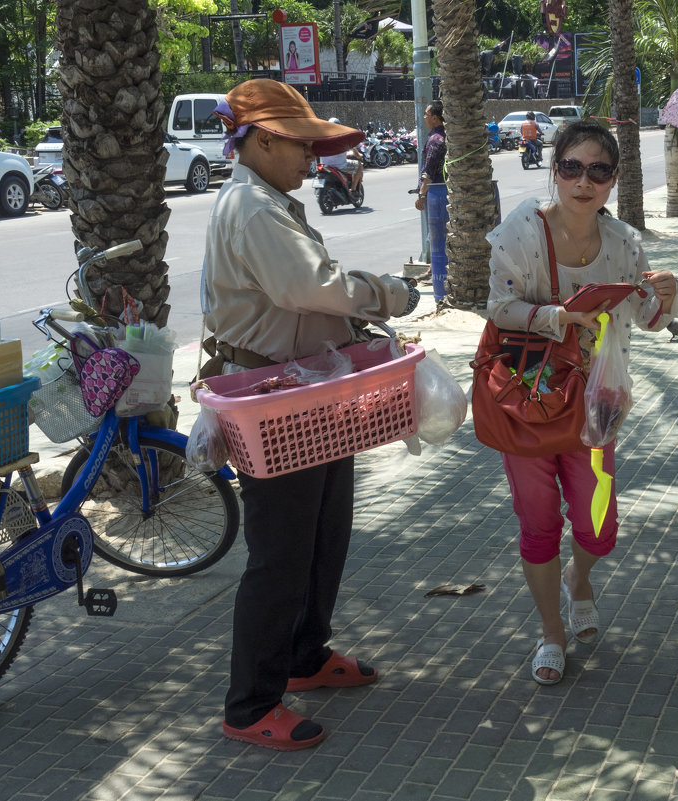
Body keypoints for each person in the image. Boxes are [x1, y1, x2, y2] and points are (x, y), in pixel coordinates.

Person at [204, 79, 421, 751]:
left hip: (304, 387)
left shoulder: (267, 199)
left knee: (325, 530)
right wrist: (385, 293)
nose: (313, 159)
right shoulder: (251, 205)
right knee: (281, 551)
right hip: (275, 397)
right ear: (263, 140)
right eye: (303, 145)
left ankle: (304, 654)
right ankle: (250, 702)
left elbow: (310, 287)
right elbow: (311, 285)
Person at [485, 120, 678, 685]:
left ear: (614, 179)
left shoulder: (623, 242)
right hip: (529, 401)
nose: (583, 182)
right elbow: (497, 310)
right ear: (555, 170)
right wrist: (556, 317)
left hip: (597, 404)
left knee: (599, 528)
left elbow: (646, 319)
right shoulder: (521, 233)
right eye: (571, 168)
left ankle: (580, 577)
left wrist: (667, 297)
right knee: (539, 525)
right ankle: (552, 632)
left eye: (598, 171)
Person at [413, 100, 446, 283]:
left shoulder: (435, 140)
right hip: (443, 191)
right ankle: (433, 269)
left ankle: (435, 271)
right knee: (436, 234)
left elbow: (429, 171)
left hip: (436, 194)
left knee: (436, 234)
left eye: (426, 115)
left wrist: (421, 194)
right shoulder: (444, 135)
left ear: (434, 117)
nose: (424, 118)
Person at [318, 116, 364, 193]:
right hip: (339, 165)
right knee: (359, 166)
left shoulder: (322, 136)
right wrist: (358, 155)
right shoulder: (342, 137)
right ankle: (353, 189)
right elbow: (352, 148)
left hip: (324, 165)